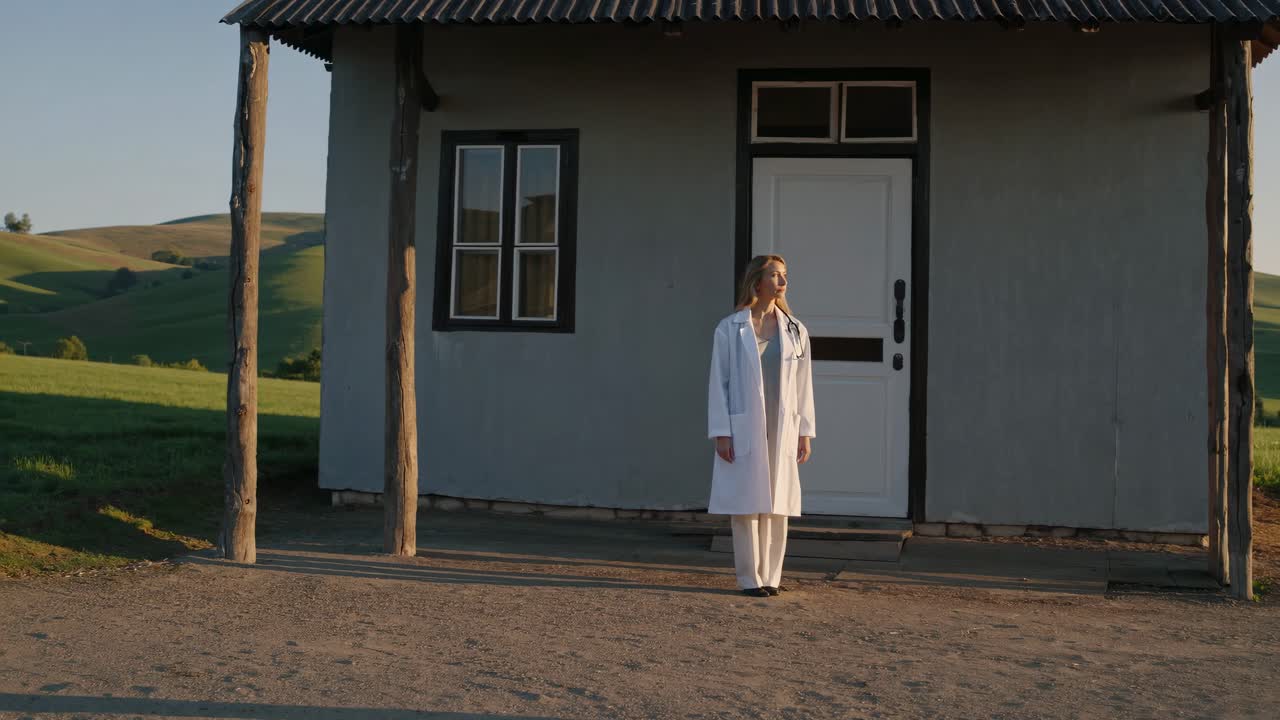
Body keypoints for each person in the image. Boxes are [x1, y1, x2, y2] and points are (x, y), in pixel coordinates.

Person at [707, 254, 815, 598]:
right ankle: (749, 579)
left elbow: (803, 385)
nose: (782, 281)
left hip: (782, 425)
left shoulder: (795, 329)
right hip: (744, 425)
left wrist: (805, 432)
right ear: (757, 282)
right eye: (774, 275)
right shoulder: (730, 328)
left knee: (777, 503)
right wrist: (721, 431)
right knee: (746, 503)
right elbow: (718, 382)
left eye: (784, 274)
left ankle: (771, 576)